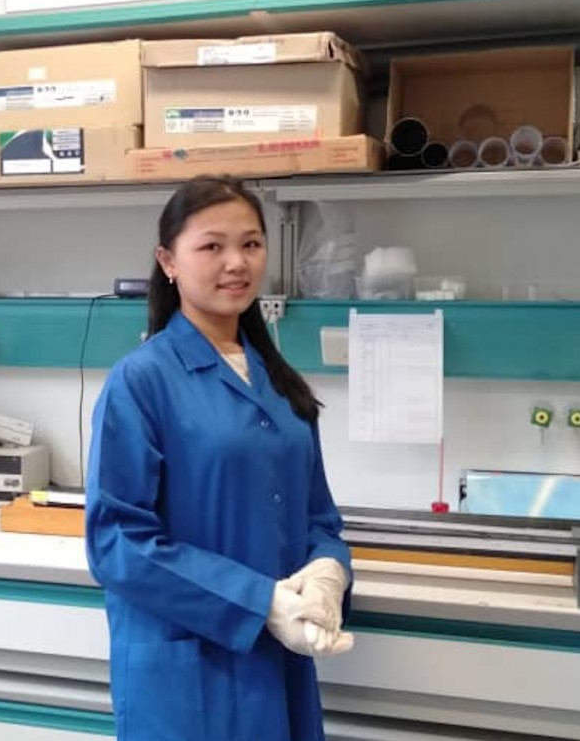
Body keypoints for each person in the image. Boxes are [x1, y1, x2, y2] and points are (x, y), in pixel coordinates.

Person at [85, 175, 354, 741]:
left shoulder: (278, 382)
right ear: (168, 261)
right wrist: (260, 603)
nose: (237, 262)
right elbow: (117, 543)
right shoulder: (141, 381)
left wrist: (329, 572)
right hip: (190, 670)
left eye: (251, 244)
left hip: (279, 665)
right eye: (212, 246)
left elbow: (318, 520)